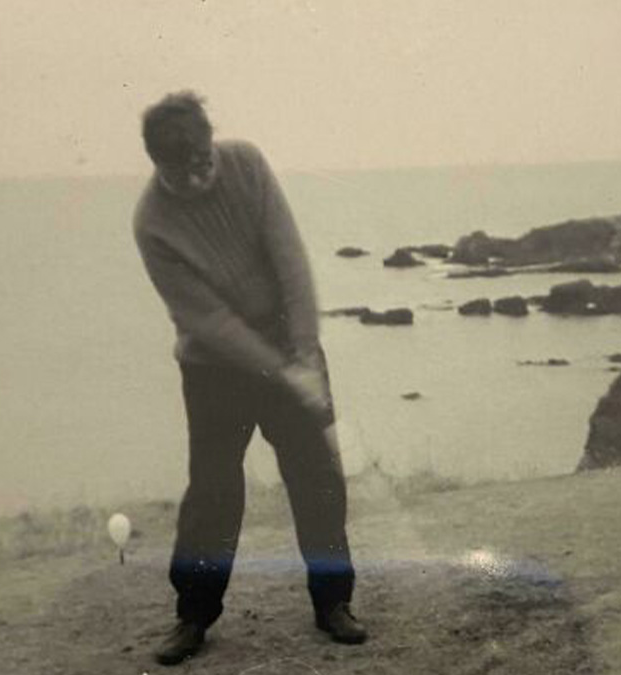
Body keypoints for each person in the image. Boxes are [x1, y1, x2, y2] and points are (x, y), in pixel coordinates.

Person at [132, 91, 367, 666]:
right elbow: (209, 321)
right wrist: (282, 372)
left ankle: (333, 602)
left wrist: (304, 354)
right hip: (213, 366)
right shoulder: (152, 223)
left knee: (317, 478)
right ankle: (193, 615)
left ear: (212, 142)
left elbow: (291, 261)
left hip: (288, 343)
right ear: (157, 165)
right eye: (180, 173)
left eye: (202, 163)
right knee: (212, 492)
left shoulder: (247, 164)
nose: (196, 180)